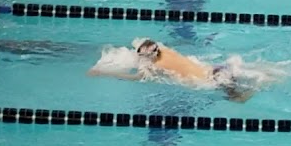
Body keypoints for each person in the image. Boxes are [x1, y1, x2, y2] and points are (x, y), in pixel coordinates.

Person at [88, 38, 254, 100]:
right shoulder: (165, 49)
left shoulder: (156, 66)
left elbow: (137, 78)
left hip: (212, 81)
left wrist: (103, 72)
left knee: (240, 99)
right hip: (218, 69)